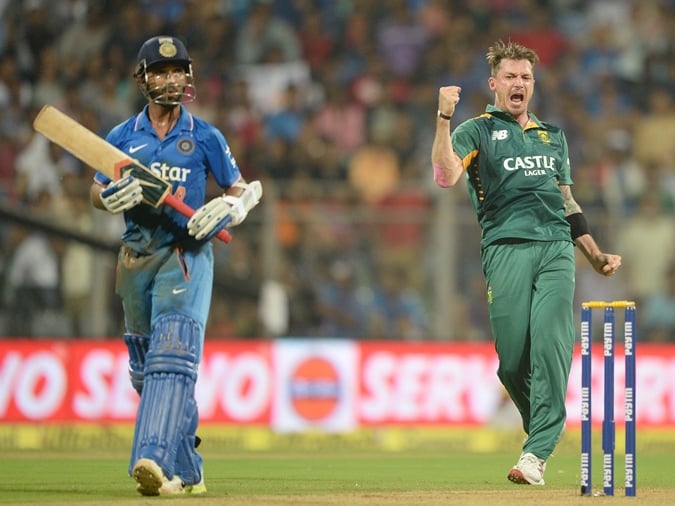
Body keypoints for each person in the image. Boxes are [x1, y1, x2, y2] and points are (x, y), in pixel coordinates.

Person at [430, 40, 622, 486]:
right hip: (504, 248)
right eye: (511, 77)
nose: (519, 84)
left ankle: (536, 451)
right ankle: (542, 427)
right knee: (513, 361)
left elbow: (567, 199)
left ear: (533, 84)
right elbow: (444, 177)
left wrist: (591, 252)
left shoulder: (553, 135)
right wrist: (443, 117)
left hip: (556, 247)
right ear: (494, 83)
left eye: (526, 78)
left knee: (551, 344)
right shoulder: (475, 130)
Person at [89, 35, 262, 496]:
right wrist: (107, 198)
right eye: (160, 72)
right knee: (145, 370)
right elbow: (96, 186)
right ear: (142, 79)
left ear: (188, 76)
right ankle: (190, 468)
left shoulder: (205, 135)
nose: (170, 79)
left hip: (186, 254)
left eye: (177, 71)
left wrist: (232, 209)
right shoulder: (122, 137)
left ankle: (155, 462)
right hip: (135, 257)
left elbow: (240, 187)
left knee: (173, 356)